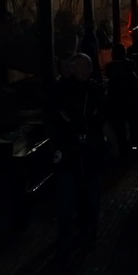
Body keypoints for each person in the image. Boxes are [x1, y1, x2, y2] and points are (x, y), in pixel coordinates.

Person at [46, 53, 108, 258]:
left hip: (90, 153)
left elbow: (100, 117)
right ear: (72, 69)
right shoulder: (61, 91)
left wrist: (80, 126)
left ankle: (88, 235)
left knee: (91, 198)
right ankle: (65, 239)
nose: (86, 71)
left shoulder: (95, 91)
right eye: (82, 67)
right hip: (69, 154)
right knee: (66, 199)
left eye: (88, 67)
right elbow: (57, 119)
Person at [104, 43, 138, 155]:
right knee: (132, 124)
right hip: (130, 98)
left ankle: (123, 148)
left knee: (120, 126)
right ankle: (134, 147)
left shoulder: (110, 66)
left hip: (117, 100)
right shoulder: (130, 64)